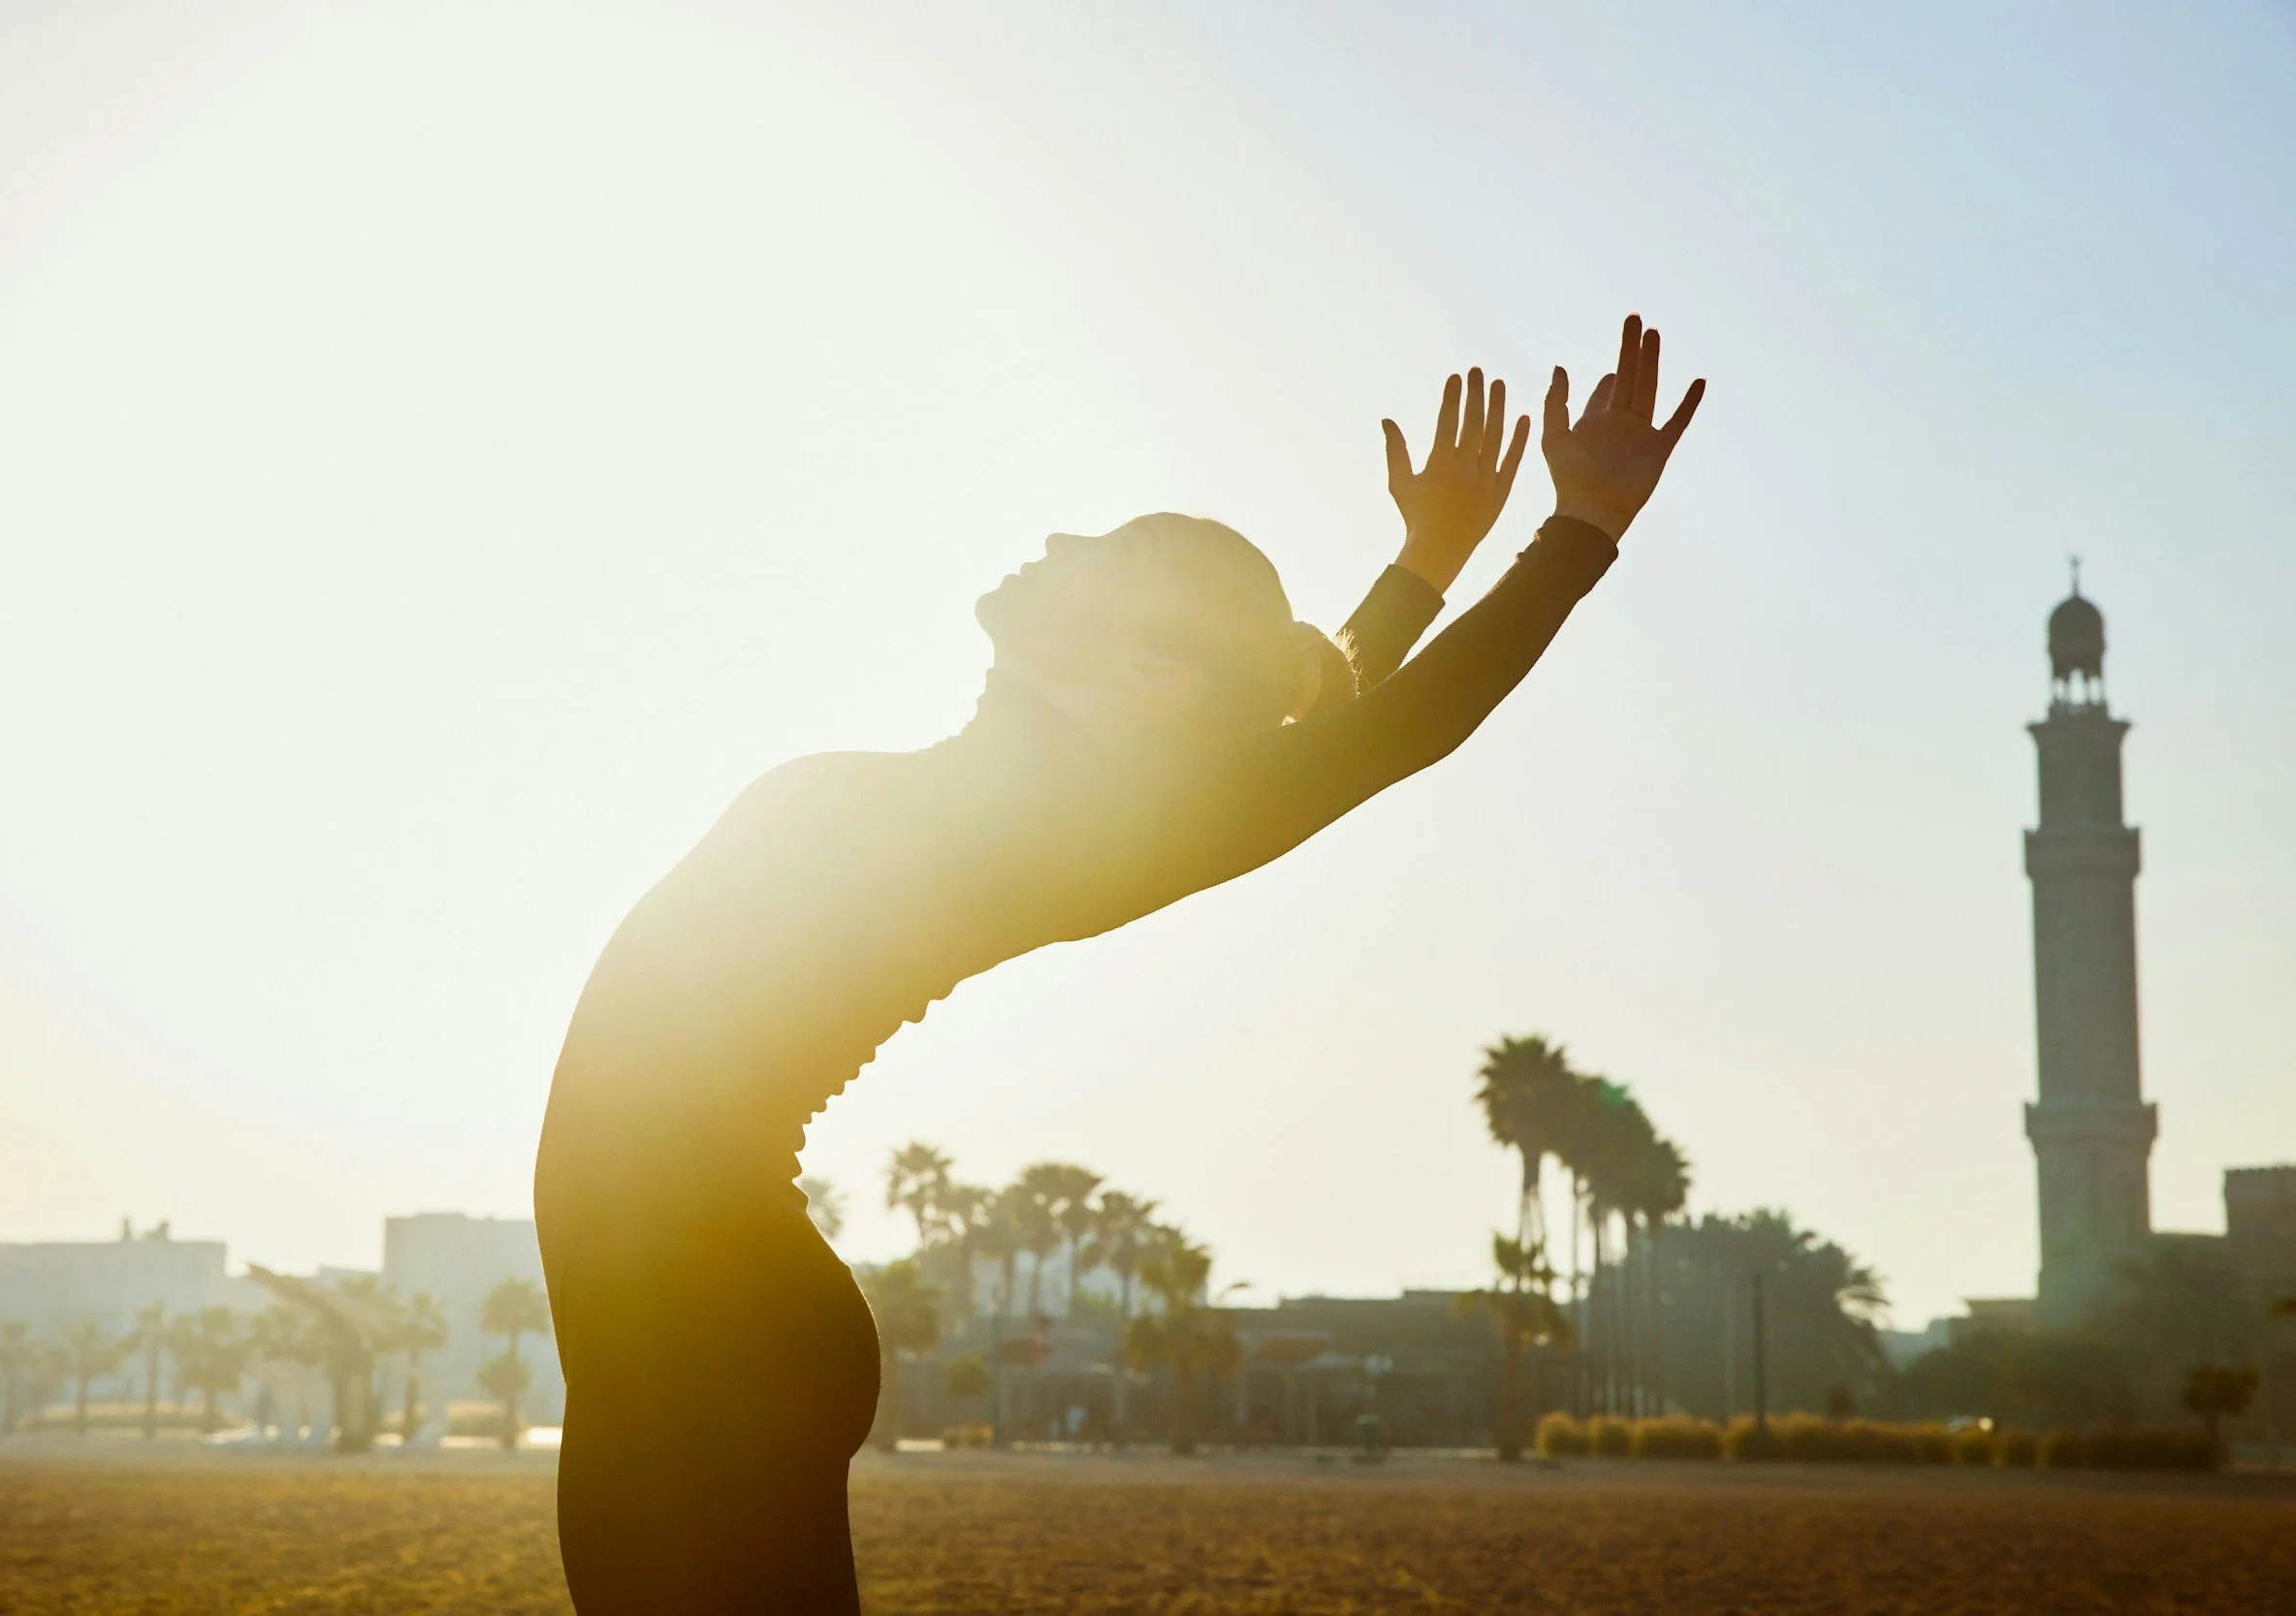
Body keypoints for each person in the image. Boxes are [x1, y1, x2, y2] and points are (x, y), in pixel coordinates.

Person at [536, 315, 1704, 1612]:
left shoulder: (1072, 833)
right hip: (679, 1320)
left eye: (1111, 551)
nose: (1061, 543)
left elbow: (1383, 739)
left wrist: (1578, 530)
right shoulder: (1028, 793)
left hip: (702, 1329)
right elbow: (1310, 711)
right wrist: (1422, 564)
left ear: (1148, 674)